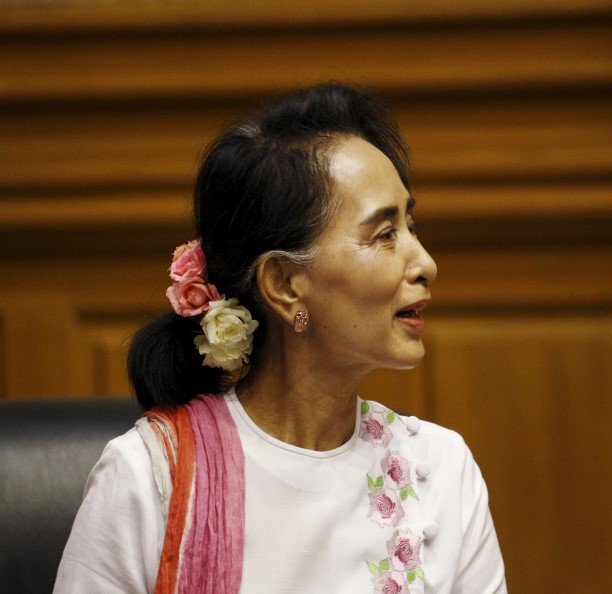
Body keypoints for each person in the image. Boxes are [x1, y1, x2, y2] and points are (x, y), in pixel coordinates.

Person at [54, 83, 507, 593]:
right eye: (384, 234)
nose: (426, 263)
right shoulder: (149, 477)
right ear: (285, 284)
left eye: (412, 225)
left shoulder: (442, 471)